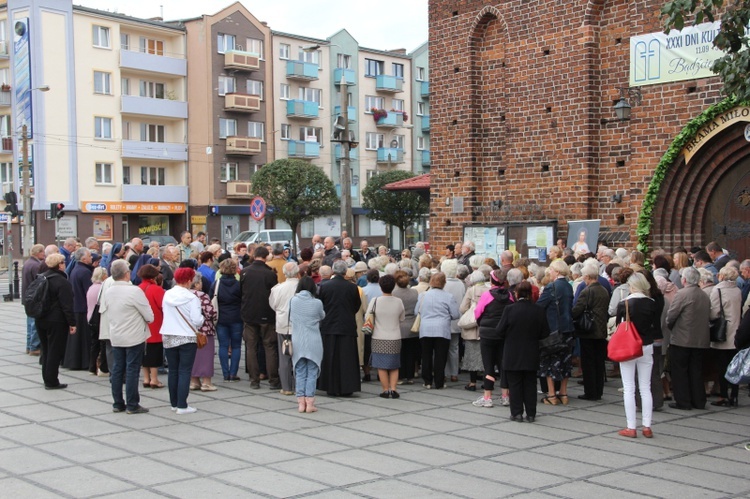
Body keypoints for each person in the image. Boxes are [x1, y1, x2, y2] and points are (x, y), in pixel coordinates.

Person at [102, 260, 154, 414]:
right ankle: (132, 404)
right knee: (131, 369)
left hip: (116, 334)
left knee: (118, 369)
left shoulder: (109, 291)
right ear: (126, 274)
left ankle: (117, 403)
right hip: (133, 335)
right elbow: (149, 316)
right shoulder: (134, 291)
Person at [496, 281, 550, 422]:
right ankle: (531, 413)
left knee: (514, 384)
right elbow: (545, 333)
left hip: (512, 352)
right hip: (531, 351)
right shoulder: (538, 310)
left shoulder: (510, 309)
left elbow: (499, 331)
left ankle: (517, 413)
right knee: (530, 384)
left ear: (516, 293)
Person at [615, 273, 660, 437]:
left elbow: (620, 325)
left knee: (629, 387)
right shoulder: (652, 303)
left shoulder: (624, 303)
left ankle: (631, 426)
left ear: (632, 286)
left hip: (629, 345)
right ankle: (647, 426)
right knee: (645, 387)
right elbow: (655, 325)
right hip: (646, 345)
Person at [160, 268, 204, 414]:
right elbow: (197, 320)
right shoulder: (192, 298)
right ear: (190, 280)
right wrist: (203, 318)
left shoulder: (167, 294)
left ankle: (174, 403)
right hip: (186, 336)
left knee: (173, 370)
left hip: (168, 334)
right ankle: (182, 405)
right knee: (184, 371)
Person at [666, 267, 711, 410]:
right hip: (700, 339)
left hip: (682, 339)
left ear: (684, 280)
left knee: (680, 371)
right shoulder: (704, 294)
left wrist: (671, 327)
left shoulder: (683, 294)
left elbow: (671, 316)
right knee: (696, 371)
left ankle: (683, 401)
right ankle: (698, 400)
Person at [318, 260, 362, 396]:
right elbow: (356, 305)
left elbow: (320, 305)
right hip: (346, 325)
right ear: (345, 272)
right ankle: (347, 387)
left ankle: (330, 386)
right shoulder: (352, 287)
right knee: (347, 358)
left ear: (333, 271)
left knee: (330, 357)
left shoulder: (325, 286)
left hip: (329, 325)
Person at [240, 245, 280, 390]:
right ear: (265, 257)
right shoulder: (269, 274)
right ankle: (273, 380)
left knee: (251, 347)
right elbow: (274, 294)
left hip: (249, 314)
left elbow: (241, 292)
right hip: (267, 314)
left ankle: (254, 380)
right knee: (269, 346)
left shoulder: (245, 272)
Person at [472, 268, 513, 406]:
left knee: (488, 364)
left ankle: (487, 397)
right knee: (504, 364)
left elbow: (478, 312)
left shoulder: (487, 295)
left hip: (488, 333)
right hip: (504, 334)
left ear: (492, 280)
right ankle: (505, 395)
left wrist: (481, 324)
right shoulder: (510, 295)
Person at [536, 260, 575, 405]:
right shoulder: (568, 286)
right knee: (566, 362)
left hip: (553, 330)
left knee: (549, 362)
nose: (549, 273)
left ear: (557, 271)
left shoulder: (551, 287)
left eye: (551, 270)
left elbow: (540, 306)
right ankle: (563, 393)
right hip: (568, 328)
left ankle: (552, 395)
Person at [36, 254, 76, 390]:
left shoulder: (42, 277)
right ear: (59, 264)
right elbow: (67, 305)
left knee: (46, 349)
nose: (65, 264)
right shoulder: (62, 281)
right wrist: (72, 323)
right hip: (56, 320)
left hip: (40, 318)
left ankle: (47, 377)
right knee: (55, 350)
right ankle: (52, 380)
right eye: (63, 262)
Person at [572, 264, 610, 401]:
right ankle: (598, 390)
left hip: (588, 331)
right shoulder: (604, 290)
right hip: (601, 330)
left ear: (587, 277)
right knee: (599, 362)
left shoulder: (587, 291)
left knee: (588, 363)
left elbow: (577, 310)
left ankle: (590, 392)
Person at [417, 272, 460, 390]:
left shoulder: (423, 295)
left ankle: (427, 381)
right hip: (442, 329)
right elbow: (456, 314)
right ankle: (439, 381)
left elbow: (417, 311)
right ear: (444, 283)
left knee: (426, 355)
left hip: (425, 328)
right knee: (440, 357)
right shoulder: (448, 296)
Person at [290, 276, 326, 413]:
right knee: (312, 371)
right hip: (314, 340)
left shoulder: (293, 301)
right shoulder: (317, 303)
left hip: (298, 339)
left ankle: (300, 402)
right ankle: (310, 402)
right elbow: (322, 316)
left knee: (299, 371)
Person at [367, 274, 405, 398]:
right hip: (395, 336)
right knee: (394, 365)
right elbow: (402, 318)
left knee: (381, 365)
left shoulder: (375, 301)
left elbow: (368, 316)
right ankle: (394, 389)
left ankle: (385, 389)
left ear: (380, 286)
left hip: (379, 336)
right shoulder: (398, 301)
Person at [709, 265, 742, 407]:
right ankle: (734, 394)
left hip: (723, 331)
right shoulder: (737, 290)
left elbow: (714, 313)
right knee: (734, 365)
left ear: (721, 276)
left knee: (722, 366)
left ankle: (723, 395)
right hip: (736, 331)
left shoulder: (718, 290)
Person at [269, 262, 301, 396]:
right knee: (299, 356)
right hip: (299, 325)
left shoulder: (277, 288)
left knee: (284, 357)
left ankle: (286, 387)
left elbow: (273, 305)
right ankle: (300, 386)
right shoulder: (301, 287)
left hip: (283, 325)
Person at [64, 248, 94, 372]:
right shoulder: (85, 272)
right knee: (82, 338)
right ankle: (82, 362)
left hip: (77, 306)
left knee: (77, 339)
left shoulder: (76, 269)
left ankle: (74, 361)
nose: (91, 257)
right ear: (83, 259)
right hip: (82, 308)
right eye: (89, 256)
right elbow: (89, 291)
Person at [214, 258, 243, 382]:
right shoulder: (238, 284)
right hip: (237, 317)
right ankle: (233, 373)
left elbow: (212, 298)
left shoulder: (216, 284)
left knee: (223, 346)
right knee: (236, 346)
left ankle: (225, 373)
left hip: (221, 318)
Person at [137, 264, 165, 389]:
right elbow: (162, 306)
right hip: (155, 324)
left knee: (144, 352)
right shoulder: (157, 289)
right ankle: (154, 379)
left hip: (140, 324)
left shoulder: (138, 288)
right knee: (155, 351)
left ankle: (146, 378)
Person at [460, 270, 489, 391]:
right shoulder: (489, 290)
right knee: (486, 356)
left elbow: (462, 308)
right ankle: (486, 382)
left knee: (471, 355)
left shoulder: (471, 291)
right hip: (486, 327)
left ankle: (472, 383)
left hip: (473, 328)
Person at [189, 274, 218, 392]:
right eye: (200, 281)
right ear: (196, 284)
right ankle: (206, 382)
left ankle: (194, 381)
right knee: (206, 355)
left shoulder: (184, 294)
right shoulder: (202, 295)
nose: (201, 283)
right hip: (204, 330)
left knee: (193, 356)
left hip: (189, 330)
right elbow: (210, 312)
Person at [393, 270, 419, 385]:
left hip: (399, 325)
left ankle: (400, 375)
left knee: (400, 352)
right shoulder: (414, 293)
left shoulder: (394, 293)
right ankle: (410, 376)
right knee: (411, 352)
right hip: (412, 325)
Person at [442, 259, 466, 383]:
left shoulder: (443, 284)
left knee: (443, 348)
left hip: (444, 319)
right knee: (454, 348)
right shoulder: (460, 284)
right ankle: (454, 373)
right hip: (456, 319)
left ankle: (445, 372)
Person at [22, 243, 45, 356]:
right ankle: (34, 347)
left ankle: (29, 345)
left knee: (29, 323)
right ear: (38, 252)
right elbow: (39, 282)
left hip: (27, 298)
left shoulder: (27, 263)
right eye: (43, 252)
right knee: (34, 324)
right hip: (33, 298)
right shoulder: (36, 265)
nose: (44, 254)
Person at [86, 266, 109, 377]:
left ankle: (91, 367)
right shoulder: (102, 288)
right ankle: (103, 368)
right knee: (103, 343)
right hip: (99, 318)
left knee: (94, 343)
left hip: (90, 317)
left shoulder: (91, 287)